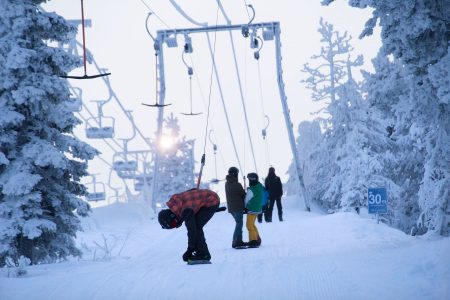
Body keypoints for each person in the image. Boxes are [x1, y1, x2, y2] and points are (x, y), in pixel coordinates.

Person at [158, 188, 220, 262]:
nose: (176, 225)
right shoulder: (176, 203)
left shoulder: (185, 211)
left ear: (172, 216)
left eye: (173, 224)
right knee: (195, 224)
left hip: (212, 200)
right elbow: (192, 191)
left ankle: (203, 255)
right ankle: (200, 252)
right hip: (207, 198)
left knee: (197, 227)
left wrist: (190, 249)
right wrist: (200, 206)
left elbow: (192, 230)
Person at [225, 167, 247, 249]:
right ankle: (235, 242)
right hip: (238, 207)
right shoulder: (237, 184)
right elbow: (243, 194)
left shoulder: (227, 183)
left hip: (232, 208)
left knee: (239, 224)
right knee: (239, 224)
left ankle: (239, 241)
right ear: (235, 174)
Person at [245, 173, 264, 247]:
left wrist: (245, 207)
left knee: (249, 225)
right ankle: (257, 238)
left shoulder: (252, 190)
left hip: (252, 209)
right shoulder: (259, 186)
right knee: (252, 224)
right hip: (257, 208)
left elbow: (246, 200)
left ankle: (253, 241)